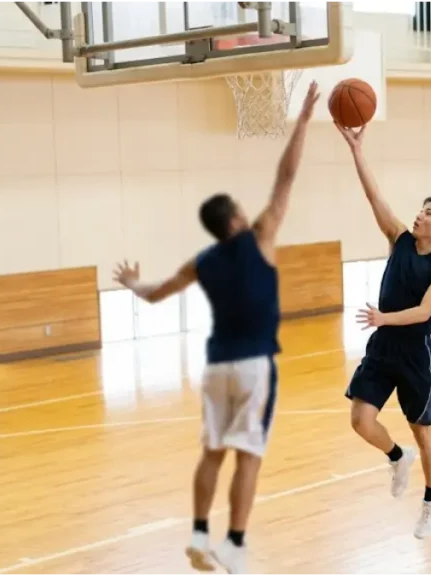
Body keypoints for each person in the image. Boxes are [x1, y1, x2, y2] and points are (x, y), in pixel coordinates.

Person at [112, 82, 321, 575]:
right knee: (248, 457)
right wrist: (305, 122)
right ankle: (235, 544)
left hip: (216, 366)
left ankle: (200, 533)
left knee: (212, 452)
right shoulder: (262, 235)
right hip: (252, 366)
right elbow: (286, 176)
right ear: (238, 217)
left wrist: (130, 281)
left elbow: (157, 292)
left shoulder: (201, 261)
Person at [336, 123, 431, 539]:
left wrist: (382, 318)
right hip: (383, 349)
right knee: (360, 420)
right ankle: (397, 457)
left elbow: (423, 311)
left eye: (429, 213)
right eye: (422, 208)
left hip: (414, 353)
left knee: (423, 428)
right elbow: (374, 196)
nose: (419, 215)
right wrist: (357, 150)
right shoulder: (399, 239)